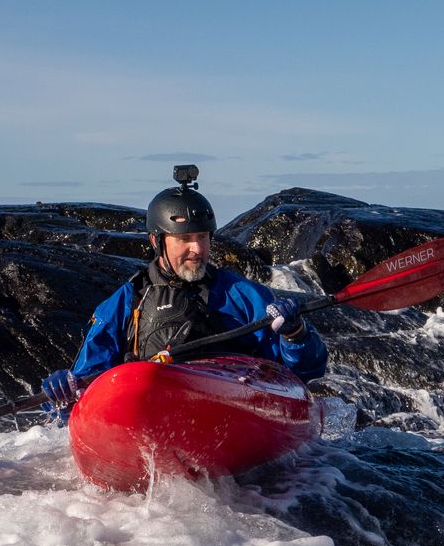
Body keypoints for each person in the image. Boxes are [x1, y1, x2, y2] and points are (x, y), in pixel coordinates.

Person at [40, 165, 328, 418]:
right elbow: (88, 388)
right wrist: (67, 390)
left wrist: (296, 335)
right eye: (185, 239)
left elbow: (305, 373)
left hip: (233, 413)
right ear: (157, 240)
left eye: (203, 237)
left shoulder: (247, 296)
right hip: (154, 414)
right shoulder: (125, 303)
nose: (198, 249)